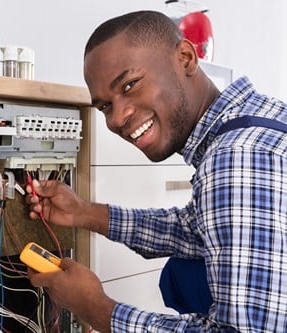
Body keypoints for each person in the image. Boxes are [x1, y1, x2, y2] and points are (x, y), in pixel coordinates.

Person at [25, 10, 286, 333]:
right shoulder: (255, 120)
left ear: (186, 58)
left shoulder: (237, 157)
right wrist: (85, 213)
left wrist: (96, 308)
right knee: (183, 271)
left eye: (130, 85)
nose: (117, 118)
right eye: (105, 106)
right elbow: (196, 231)